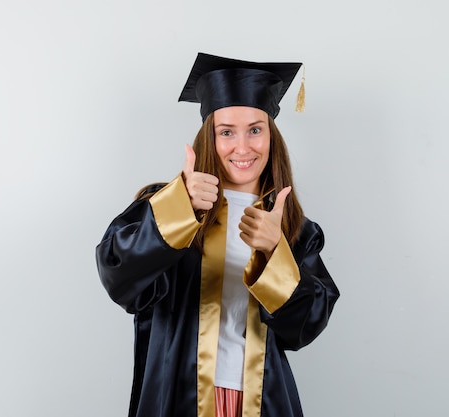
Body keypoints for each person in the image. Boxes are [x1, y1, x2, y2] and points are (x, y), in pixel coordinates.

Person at [95, 52, 340, 417]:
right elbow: (117, 274)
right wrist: (182, 208)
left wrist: (275, 251)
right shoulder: (167, 204)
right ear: (209, 137)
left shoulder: (294, 229)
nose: (243, 147)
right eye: (226, 132)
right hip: (178, 394)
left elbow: (305, 328)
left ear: (272, 136)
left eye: (255, 129)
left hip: (262, 399)